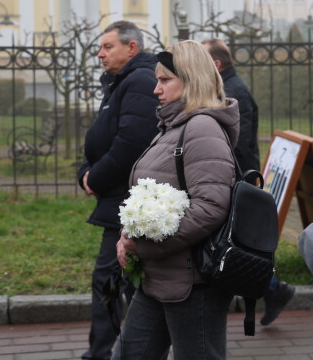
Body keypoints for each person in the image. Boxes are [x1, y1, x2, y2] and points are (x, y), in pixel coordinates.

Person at [112, 40, 239, 360]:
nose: (156, 89)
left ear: (192, 80)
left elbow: (210, 207)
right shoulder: (172, 126)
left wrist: (142, 246)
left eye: (165, 80)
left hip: (192, 284)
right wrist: (127, 234)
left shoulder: (202, 128)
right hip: (159, 277)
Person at [76, 21, 160, 360]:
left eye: (108, 46)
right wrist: (86, 169)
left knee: (109, 281)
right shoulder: (122, 82)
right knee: (122, 282)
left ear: (132, 48)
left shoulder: (138, 81)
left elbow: (130, 143)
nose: (100, 53)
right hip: (119, 199)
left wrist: (94, 178)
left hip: (128, 201)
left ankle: (101, 353)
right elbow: (105, 136)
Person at [201, 37, 295, 325]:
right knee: (230, 247)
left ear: (216, 64)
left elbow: (237, 146)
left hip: (235, 182)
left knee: (231, 248)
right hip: (234, 180)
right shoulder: (226, 88)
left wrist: (232, 184)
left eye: (203, 60)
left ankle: (273, 289)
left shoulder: (231, 92)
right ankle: (272, 290)